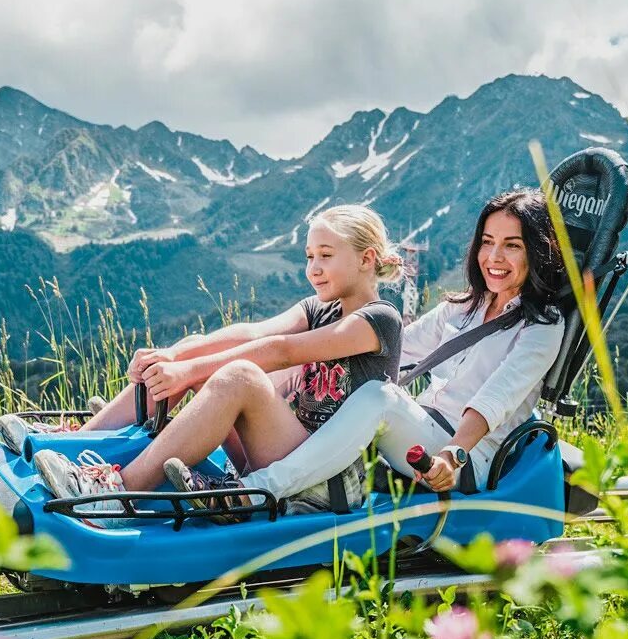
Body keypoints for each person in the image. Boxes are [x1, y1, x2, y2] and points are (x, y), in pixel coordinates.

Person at [179, 187, 567, 513]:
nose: (494, 258)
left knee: (380, 397)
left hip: (461, 457)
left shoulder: (543, 326)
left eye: (511, 246)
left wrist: (455, 453)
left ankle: (255, 490)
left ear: (536, 251)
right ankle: (250, 471)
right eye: (487, 243)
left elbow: (495, 398)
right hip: (415, 436)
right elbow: (400, 348)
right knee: (356, 386)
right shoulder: (462, 308)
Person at [31, 205, 404, 513]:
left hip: (327, 479)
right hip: (288, 454)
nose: (313, 269)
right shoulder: (322, 307)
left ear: (366, 259)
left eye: (325, 256)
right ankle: (81, 441)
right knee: (201, 345)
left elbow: (281, 351)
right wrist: (176, 355)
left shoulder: (379, 320)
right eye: (309, 257)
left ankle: (113, 495)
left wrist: (188, 369)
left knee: (240, 376)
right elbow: (254, 333)